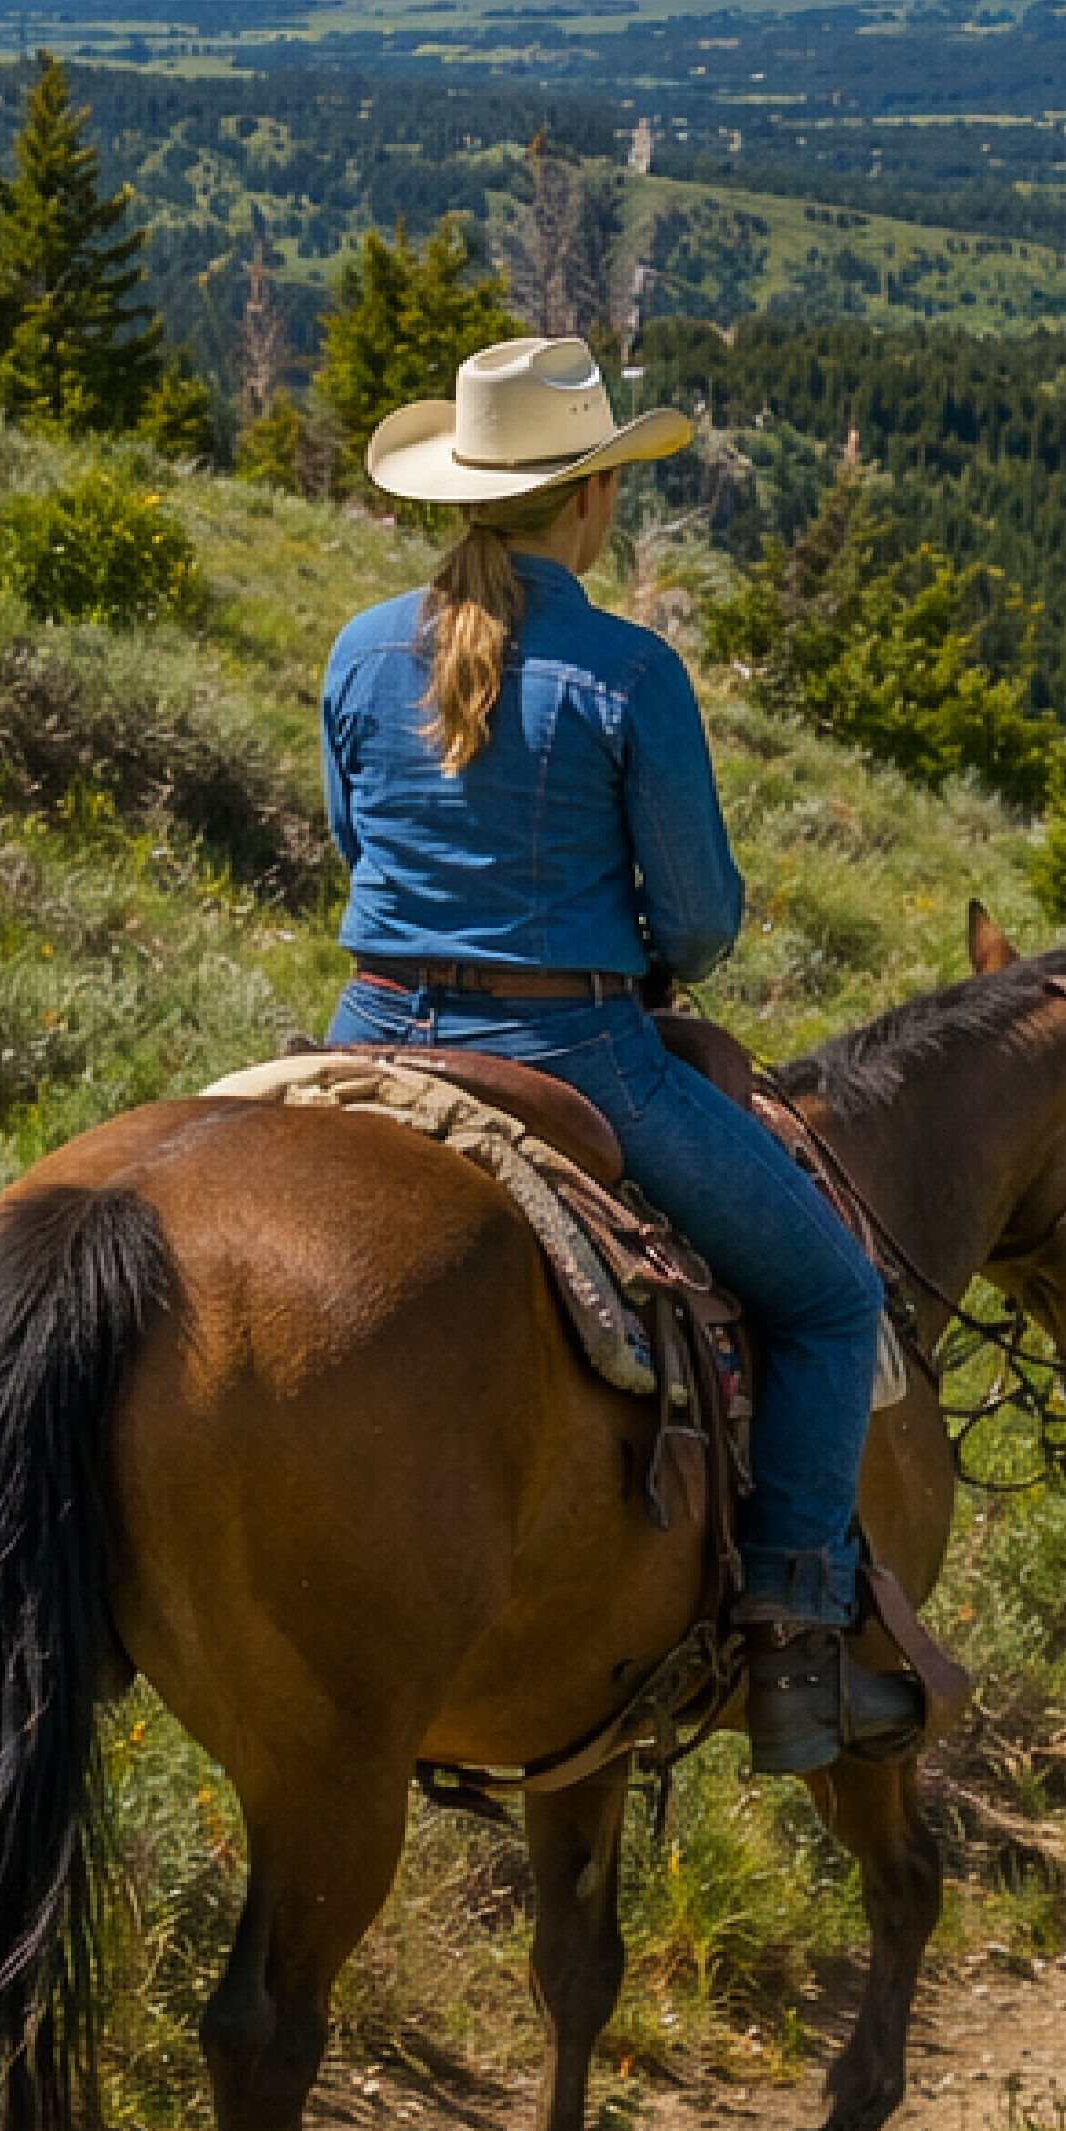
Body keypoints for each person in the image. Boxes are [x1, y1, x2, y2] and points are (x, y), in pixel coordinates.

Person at [322, 335, 921, 1777]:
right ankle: (791, 1631)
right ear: (588, 499)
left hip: (367, 1031)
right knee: (833, 1300)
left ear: (464, 492)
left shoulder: (358, 647)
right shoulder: (627, 669)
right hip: (576, 1047)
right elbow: (701, 921)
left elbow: (357, 846)